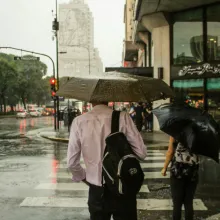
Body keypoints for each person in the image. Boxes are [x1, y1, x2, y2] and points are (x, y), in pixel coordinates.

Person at [67, 102, 147, 220]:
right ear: (109, 96)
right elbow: (142, 153)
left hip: (97, 191)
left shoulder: (79, 121)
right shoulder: (123, 117)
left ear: (91, 99)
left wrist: (85, 177)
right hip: (122, 186)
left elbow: (72, 163)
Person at [161, 137, 199, 220]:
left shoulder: (176, 132)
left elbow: (170, 152)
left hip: (178, 170)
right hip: (192, 171)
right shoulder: (198, 133)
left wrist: (164, 167)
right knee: (189, 202)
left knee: (177, 203)